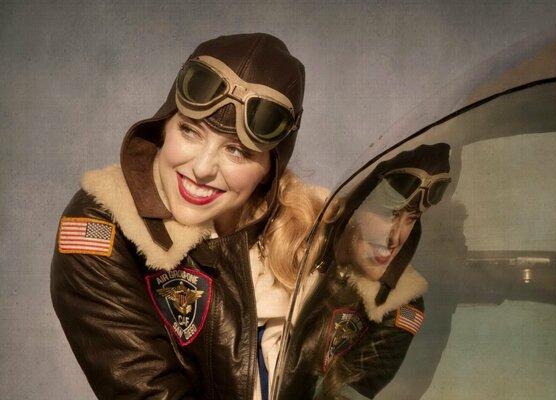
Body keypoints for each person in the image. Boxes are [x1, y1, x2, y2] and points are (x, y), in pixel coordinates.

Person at [50, 33, 325, 400]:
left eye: (236, 152)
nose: (202, 168)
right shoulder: (102, 227)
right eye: (190, 130)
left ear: (269, 169)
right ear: (164, 125)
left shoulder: (311, 228)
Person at [275, 143, 451, 400]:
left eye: (411, 219)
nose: (396, 238)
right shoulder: (289, 240)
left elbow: (347, 394)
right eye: (390, 215)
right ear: (357, 208)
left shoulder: (398, 306)